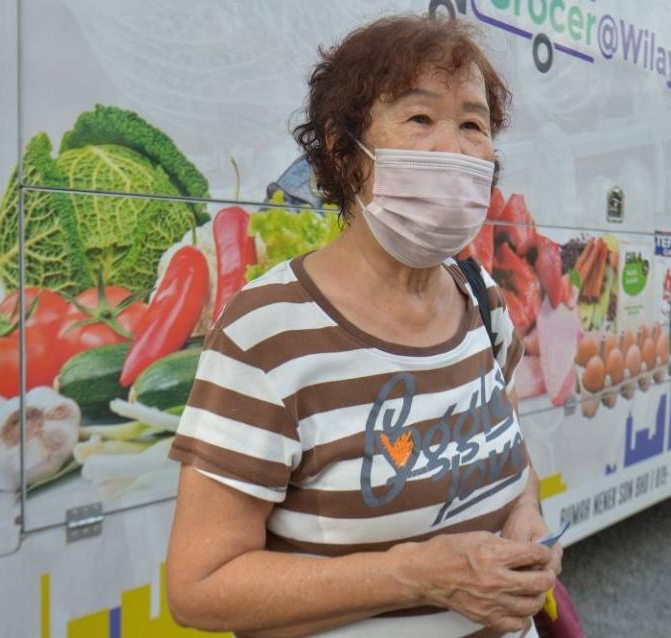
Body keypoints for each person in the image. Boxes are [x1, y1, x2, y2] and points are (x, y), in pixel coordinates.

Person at [165, 14, 561, 638]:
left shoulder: (481, 299)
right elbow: (200, 587)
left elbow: (512, 453)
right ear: (344, 152)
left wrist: (526, 516)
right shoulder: (266, 333)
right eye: (420, 119)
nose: (453, 151)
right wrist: (414, 575)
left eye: (472, 125)